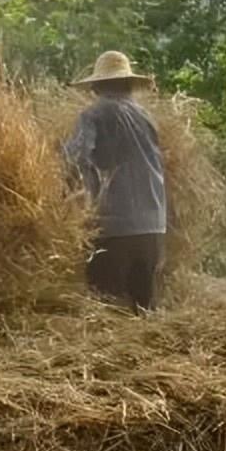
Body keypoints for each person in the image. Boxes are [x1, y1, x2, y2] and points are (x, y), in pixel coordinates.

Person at [63, 51, 167, 313]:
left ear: (97, 86)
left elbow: (75, 158)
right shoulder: (147, 117)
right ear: (129, 84)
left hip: (113, 226)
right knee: (144, 312)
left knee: (108, 314)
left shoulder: (93, 115)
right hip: (153, 226)